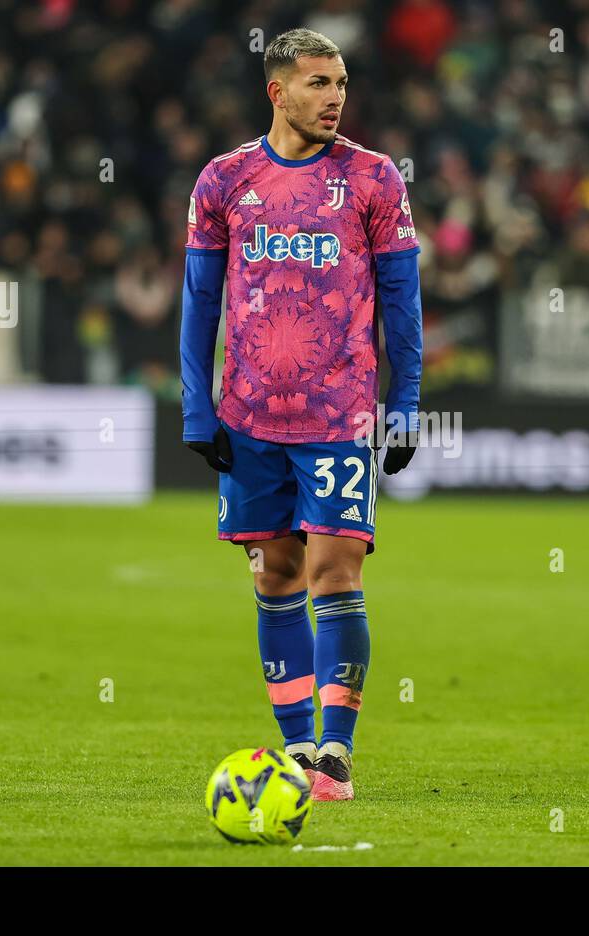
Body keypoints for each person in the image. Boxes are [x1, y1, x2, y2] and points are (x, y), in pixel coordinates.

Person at [178, 29, 423, 801]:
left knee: (335, 567)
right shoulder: (224, 180)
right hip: (249, 415)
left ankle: (337, 751)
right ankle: (297, 755)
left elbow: (401, 304)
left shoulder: (375, 180)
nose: (336, 96)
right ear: (277, 92)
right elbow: (199, 302)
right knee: (274, 572)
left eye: (342, 82)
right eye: (318, 83)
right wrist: (196, 407)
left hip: (340, 415)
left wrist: (406, 402)